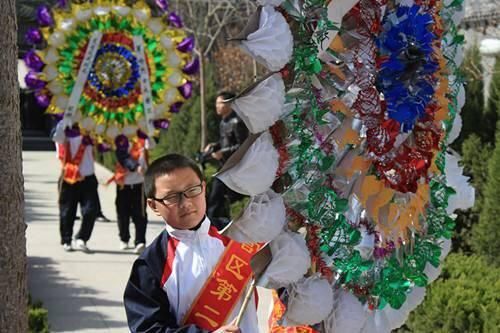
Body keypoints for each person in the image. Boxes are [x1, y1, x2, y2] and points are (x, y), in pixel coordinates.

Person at [124, 154, 260, 333]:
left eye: (192, 190)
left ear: (203, 188)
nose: (186, 203)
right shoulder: (150, 265)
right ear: (153, 205)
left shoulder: (240, 234)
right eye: (172, 197)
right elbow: (148, 329)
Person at [204, 92, 249, 229]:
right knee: (217, 197)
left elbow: (242, 145)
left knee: (216, 197)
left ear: (229, 103)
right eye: (217, 103)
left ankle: (212, 226)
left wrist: (221, 152)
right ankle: (215, 225)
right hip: (224, 165)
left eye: (220, 103)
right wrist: (214, 146)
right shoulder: (224, 122)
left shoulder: (237, 121)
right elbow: (225, 141)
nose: (217, 106)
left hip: (234, 167)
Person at [53, 123, 99, 252]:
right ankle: (66, 240)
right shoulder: (63, 129)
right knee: (67, 211)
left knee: (91, 210)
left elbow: (103, 143)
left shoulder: (90, 127)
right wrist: (64, 120)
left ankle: (81, 238)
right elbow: (57, 137)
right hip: (69, 176)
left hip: (88, 177)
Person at [110, 136, 149, 254]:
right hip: (123, 182)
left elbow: (151, 143)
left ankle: (140, 241)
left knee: (140, 213)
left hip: (139, 183)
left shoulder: (143, 138)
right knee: (123, 213)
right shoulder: (121, 137)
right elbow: (122, 156)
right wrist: (136, 167)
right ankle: (124, 238)